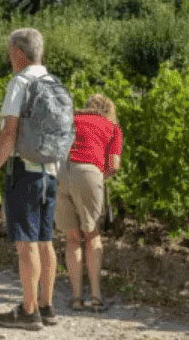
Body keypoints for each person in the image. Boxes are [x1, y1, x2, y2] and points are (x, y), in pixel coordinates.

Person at [0, 28, 59, 330]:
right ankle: (46, 305)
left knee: (25, 243)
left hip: (24, 172)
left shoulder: (21, 83)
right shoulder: (54, 83)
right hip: (50, 172)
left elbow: (9, 132)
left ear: (18, 53)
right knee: (45, 240)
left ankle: (28, 311)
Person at [58, 94, 123, 313]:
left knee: (72, 238)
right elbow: (113, 165)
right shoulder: (112, 127)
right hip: (88, 170)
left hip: (60, 172)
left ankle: (76, 298)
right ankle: (96, 297)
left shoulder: (72, 118)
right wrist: (98, 178)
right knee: (92, 235)